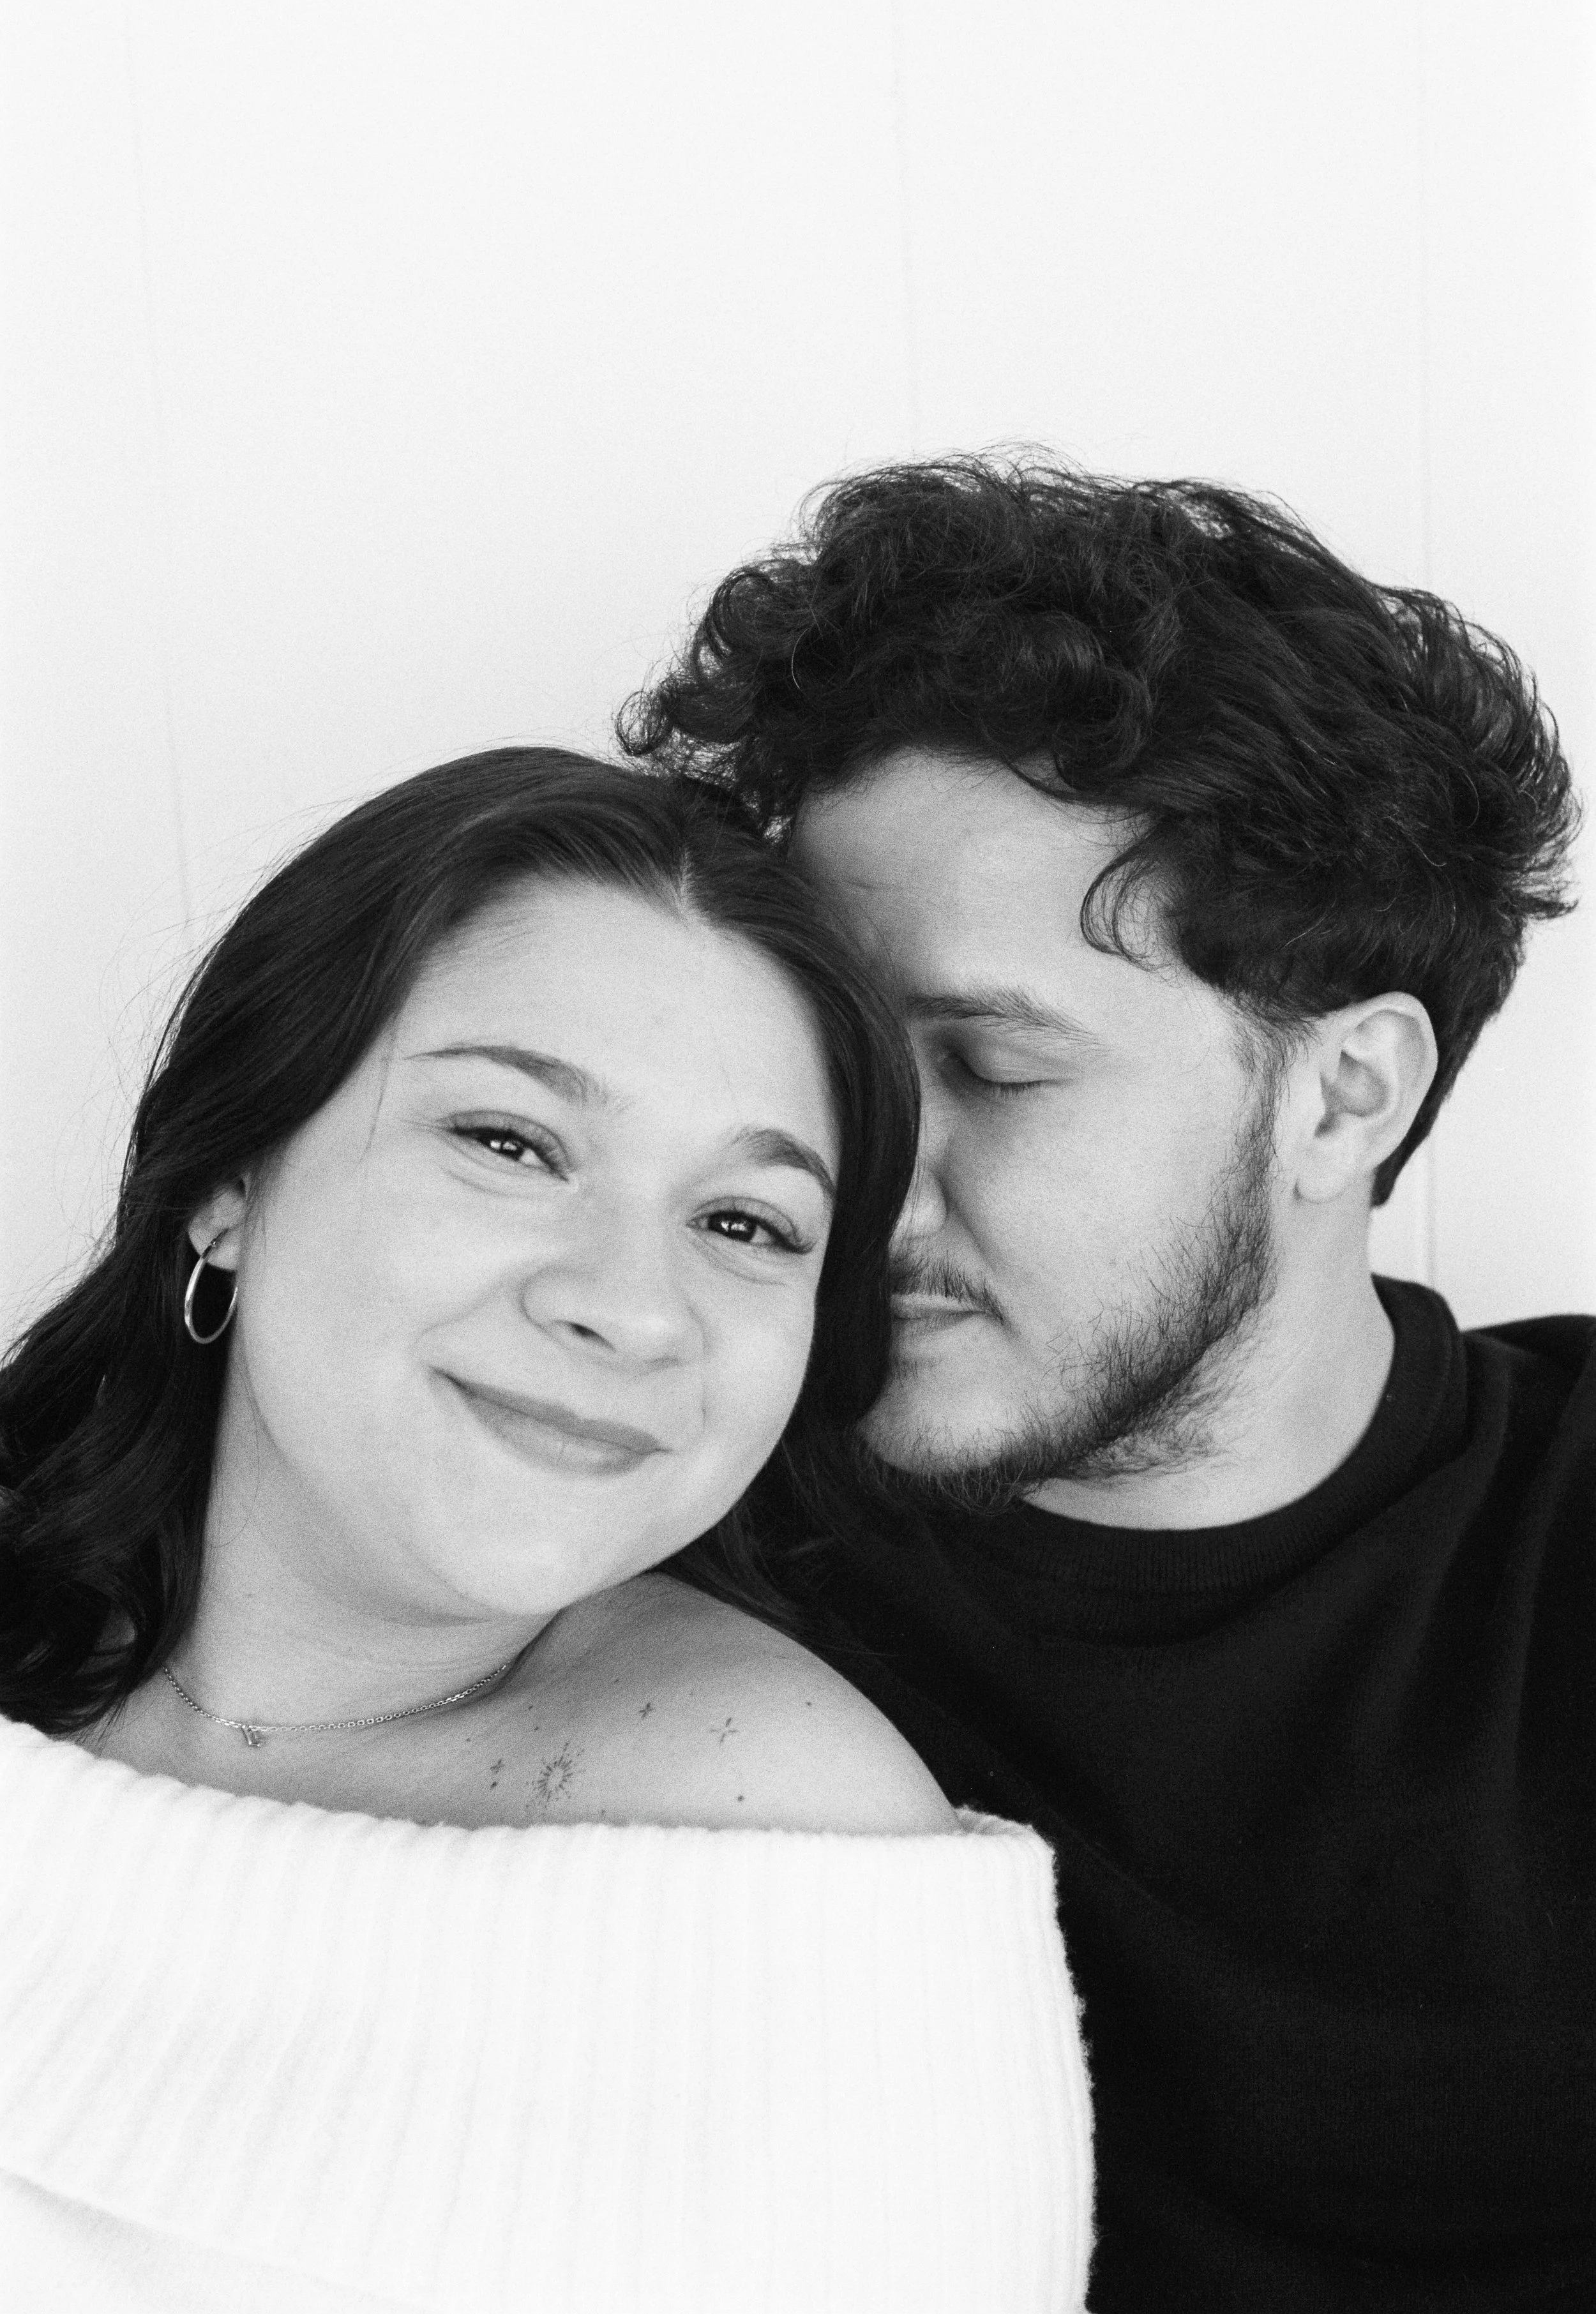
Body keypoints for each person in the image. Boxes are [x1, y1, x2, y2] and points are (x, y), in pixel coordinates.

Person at [623, 456, 1596, 2313]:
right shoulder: (668, 1515)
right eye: (843, 1059)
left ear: (1341, 1096)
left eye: (989, 1067)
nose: (863, 1176)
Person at [0, 748, 1094, 2313]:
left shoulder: (786, 1856)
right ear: (231, 1176)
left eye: (743, 1223)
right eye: (511, 1142)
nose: (632, 1306)